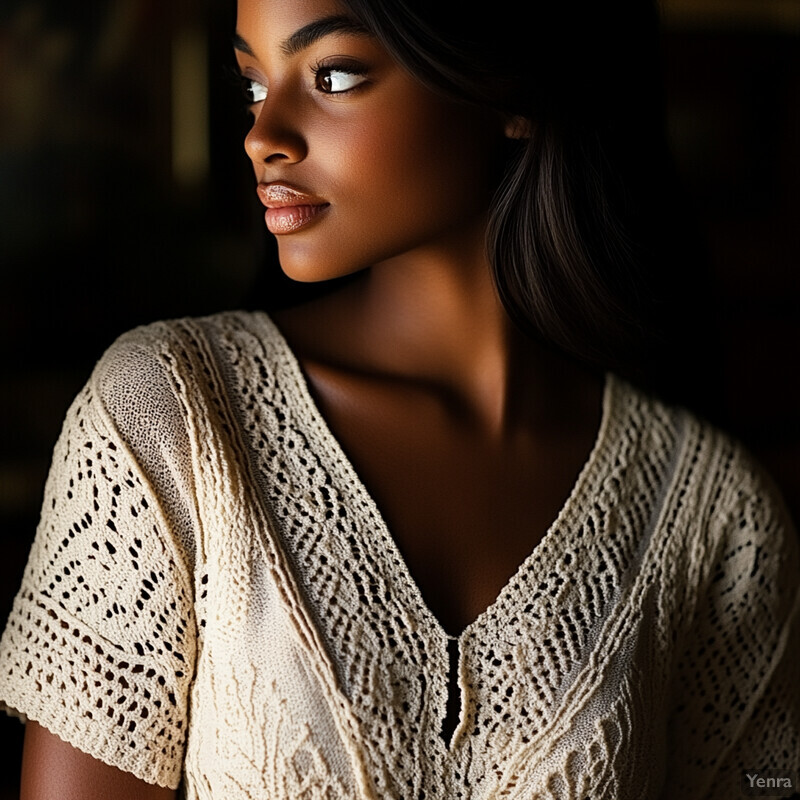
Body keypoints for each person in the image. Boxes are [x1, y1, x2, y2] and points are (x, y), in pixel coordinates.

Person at [2, 0, 798, 798]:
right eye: (252, 85)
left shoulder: (714, 514)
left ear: (511, 94)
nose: (262, 135)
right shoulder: (167, 416)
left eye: (334, 75)